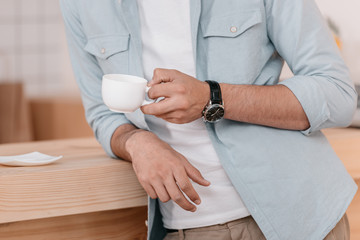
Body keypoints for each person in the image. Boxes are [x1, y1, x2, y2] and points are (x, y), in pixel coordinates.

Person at [60, 0, 357, 239]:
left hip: (300, 218)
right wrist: (137, 143)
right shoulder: (81, 5)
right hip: (187, 226)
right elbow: (101, 112)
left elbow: (338, 93)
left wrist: (212, 97)